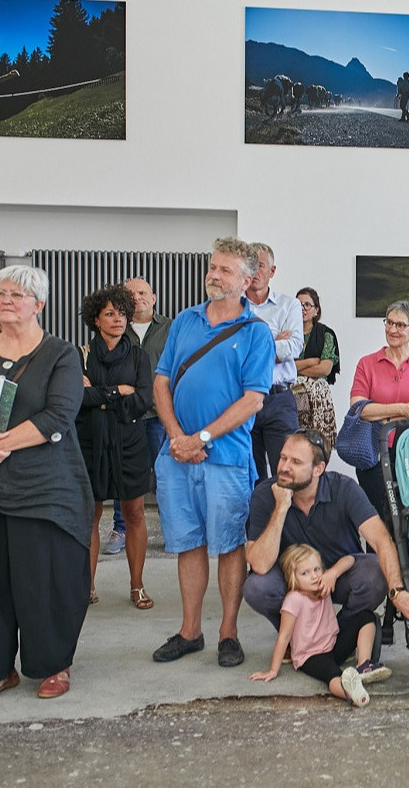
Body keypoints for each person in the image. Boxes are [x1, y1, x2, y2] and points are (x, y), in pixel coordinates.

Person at [151, 237, 276, 668]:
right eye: (212, 266)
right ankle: (190, 632)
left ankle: (228, 632)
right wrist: (176, 436)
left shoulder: (257, 332)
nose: (213, 275)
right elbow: (162, 381)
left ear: (247, 279)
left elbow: (253, 400)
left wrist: (200, 439)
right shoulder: (184, 321)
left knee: (228, 545)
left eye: (224, 270)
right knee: (187, 543)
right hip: (175, 456)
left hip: (224, 458)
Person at [244, 430, 409, 666]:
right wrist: (281, 508)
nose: (284, 467)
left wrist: (397, 592)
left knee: (374, 574)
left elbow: (382, 540)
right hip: (295, 580)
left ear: (318, 469)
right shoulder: (265, 493)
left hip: (340, 574)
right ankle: (293, 637)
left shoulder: (344, 489)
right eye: (283, 458)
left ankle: (341, 634)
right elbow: (258, 563)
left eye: (296, 462)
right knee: (257, 587)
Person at [0, 266, 93, 700]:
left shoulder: (61, 354)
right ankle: (1, 667)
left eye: (17, 295)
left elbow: (58, 415)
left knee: (43, 580)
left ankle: (53, 664)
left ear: (40, 305)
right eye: (0, 294)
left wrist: (3, 443)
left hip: (45, 487)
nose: (6, 301)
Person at [77, 284, 154, 610]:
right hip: (89, 443)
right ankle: (87, 586)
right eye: (110, 313)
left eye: (122, 313)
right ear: (95, 319)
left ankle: (137, 586)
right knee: (90, 517)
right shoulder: (79, 354)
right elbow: (77, 399)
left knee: (134, 514)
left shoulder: (139, 356)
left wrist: (99, 393)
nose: (118, 319)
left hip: (130, 443)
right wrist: (117, 391)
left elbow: (143, 400)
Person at [248, 544, 371, 708]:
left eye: (316, 569)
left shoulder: (323, 587)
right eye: (305, 573)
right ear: (293, 577)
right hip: (310, 656)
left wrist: (332, 573)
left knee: (366, 617)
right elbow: (284, 637)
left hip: (333, 645)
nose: (313, 576)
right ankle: (351, 694)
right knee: (333, 675)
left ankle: (364, 666)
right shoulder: (294, 600)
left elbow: (349, 560)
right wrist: (272, 670)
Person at [349, 300, 409, 517]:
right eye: (388, 323)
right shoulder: (366, 363)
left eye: (400, 325)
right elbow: (358, 409)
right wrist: (405, 409)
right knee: (376, 518)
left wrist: (380, 412)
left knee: (408, 517)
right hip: (373, 454)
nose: (391, 329)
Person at [103, 277, 170, 556]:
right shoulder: (116, 328)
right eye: (131, 294)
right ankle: (121, 528)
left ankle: (172, 530)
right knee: (124, 473)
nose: (137, 298)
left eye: (142, 293)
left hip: (160, 415)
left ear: (153, 298)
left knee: (165, 474)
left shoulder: (170, 328)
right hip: (126, 416)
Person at [247, 242, 304, 482]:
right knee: (249, 475)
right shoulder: (233, 307)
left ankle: (285, 520)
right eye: (250, 266)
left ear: (272, 271)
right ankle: (255, 521)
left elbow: (293, 347)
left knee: (286, 472)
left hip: (279, 398)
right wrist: (273, 340)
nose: (254, 272)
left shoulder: (289, 305)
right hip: (243, 398)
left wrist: (253, 347)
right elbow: (231, 353)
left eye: (260, 266)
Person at [293, 287, 340, 449]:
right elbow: (282, 366)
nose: (303, 309)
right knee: (297, 442)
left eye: (307, 305)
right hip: (293, 395)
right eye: (298, 305)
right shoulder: (288, 334)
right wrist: (311, 362)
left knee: (316, 447)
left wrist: (295, 367)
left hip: (317, 398)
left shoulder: (326, 334)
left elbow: (324, 369)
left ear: (316, 310)